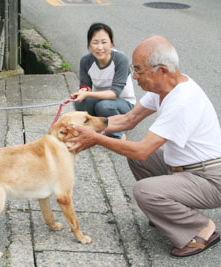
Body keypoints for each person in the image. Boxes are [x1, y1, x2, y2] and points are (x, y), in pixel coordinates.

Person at [67, 35, 221, 257]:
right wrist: (92, 127)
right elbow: (128, 119)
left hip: (210, 179)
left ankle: (201, 229)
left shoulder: (182, 102)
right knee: (141, 161)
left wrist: (95, 138)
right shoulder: (164, 88)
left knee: (144, 190)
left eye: (138, 70)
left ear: (162, 70)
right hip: (186, 168)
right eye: (134, 68)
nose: (134, 76)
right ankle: (168, 214)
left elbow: (142, 150)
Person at [72, 23, 136, 139]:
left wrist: (88, 93)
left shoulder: (121, 59)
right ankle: (92, 130)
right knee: (80, 102)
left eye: (104, 42)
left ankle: (117, 134)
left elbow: (114, 94)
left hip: (124, 104)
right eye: (95, 43)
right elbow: (85, 86)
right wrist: (82, 92)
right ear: (89, 44)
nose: (100, 47)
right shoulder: (86, 61)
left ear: (111, 42)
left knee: (104, 106)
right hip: (100, 101)